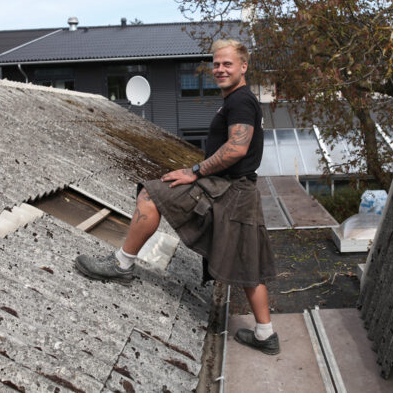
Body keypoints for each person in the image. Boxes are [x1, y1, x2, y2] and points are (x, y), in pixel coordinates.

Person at [75, 39, 280, 355]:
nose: (220, 69)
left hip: (229, 189)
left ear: (244, 66)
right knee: (247, 261)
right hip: (240, 192)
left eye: (227, 63)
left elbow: (237, 147)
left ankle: (122, 265)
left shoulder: (240, 101)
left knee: (152, 194)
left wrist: (195, 171)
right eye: (216, 64)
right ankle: (266, 335)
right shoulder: (239, 100)